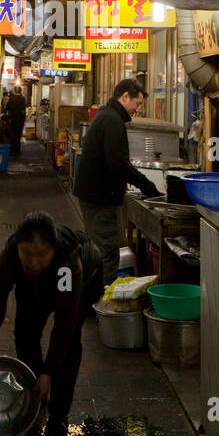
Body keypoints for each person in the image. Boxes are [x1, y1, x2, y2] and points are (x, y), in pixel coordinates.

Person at [0, 212, 104, 436]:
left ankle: (58, 418)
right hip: (36, 283)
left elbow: (65, 321)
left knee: (69, 344)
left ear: (52, 248)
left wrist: (49, 371)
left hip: (86, 277)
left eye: (41, 255)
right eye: (27, 254)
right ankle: (37, 398)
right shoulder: (9, 257)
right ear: (18, 247)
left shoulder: (67, 262)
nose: (34, 262)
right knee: (25, 332)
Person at [72, 78, 160, 284]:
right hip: (99, 199)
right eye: (137, 104)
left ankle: (89, 303)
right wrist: (149, 187)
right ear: (125, 97)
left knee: (97, 251)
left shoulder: (107, 116)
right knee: (107, 254)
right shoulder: (112, 120)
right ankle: (99, 307)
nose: (137, 110)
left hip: (94, 196)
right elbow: (118, 164)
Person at [3, 85, 28, 156]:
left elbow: (7, 108)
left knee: (12, 134)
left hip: (12, 119)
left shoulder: (11, 98)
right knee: (18, 135)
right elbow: (24, 109)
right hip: (20, 120)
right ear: (20, 91)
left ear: (14, 91)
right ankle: (17, 150)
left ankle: (12, 150)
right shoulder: (22, 99)